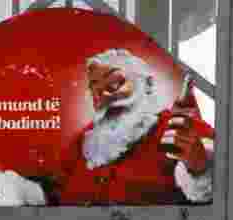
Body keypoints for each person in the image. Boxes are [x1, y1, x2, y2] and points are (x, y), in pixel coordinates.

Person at [47, 48, 214, 205]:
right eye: (95, 92)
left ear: (147, 84)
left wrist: (200, 168)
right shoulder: (83, 142)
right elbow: (51, 191)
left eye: (113, 84)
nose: (103, 97)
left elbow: (226, 181)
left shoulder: (179, 127)